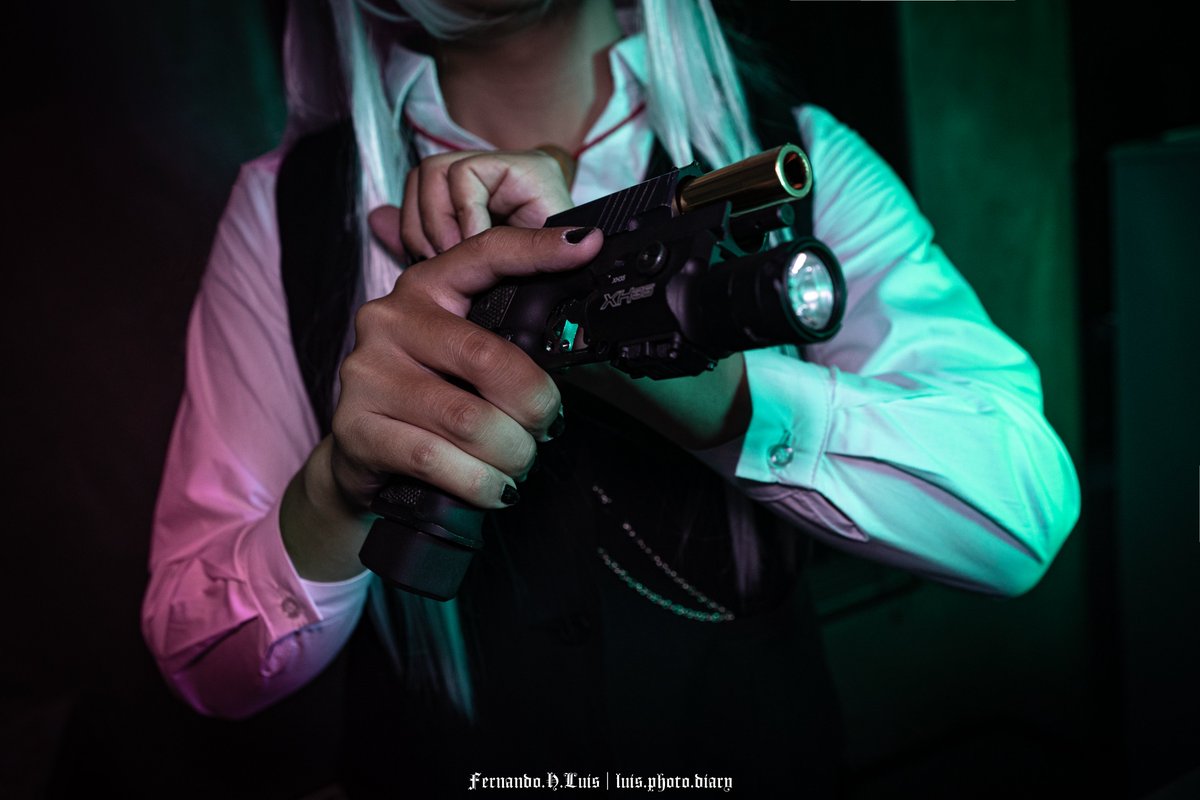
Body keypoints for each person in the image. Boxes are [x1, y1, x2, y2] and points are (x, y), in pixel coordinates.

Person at [142, 0, 1080, 795]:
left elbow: (1020, 509)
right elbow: (208, 667)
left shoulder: (796, 153)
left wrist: (717, 392)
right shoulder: (286, 209)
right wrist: (338, 492)